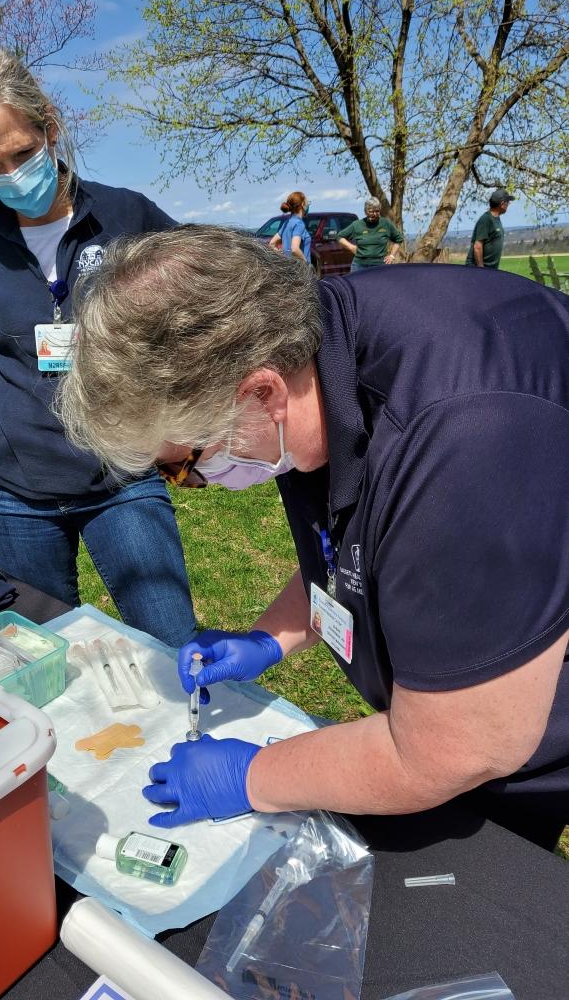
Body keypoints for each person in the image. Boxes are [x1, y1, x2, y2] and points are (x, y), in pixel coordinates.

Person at [56, 224, 569, 850]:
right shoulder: (310, 362)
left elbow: (458, 748)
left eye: (183, 462)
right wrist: (267, 641)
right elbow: (364, 545)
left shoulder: (463, 440)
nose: (191, 484)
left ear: (261, 392)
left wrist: (252, 777)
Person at [0, 45, 197, 648]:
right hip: (14, 491)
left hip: (121, 476)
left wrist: (177, 398)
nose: (13, 175)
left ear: (50, 127)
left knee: (171, 640)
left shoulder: (127, 216)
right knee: (46, 655)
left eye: (23, 153)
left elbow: (202, 296)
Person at [338, 197, 403, 271]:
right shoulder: (357, 225)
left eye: (377, 211)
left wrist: (392, 256)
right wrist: (351, 247)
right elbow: (340, 237)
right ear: (365, 211)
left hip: (380, 265)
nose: (375, 214)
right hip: (359, 265)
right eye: (371, 211)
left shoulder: (386, 223)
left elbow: (399, 239)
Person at [465, 188, 516, 269]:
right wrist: (481, 269)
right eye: (508, 202)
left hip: (490, 270)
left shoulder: (496, 218)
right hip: (477, 269)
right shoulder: (486, 219)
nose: (508, 204)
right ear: (502, 204)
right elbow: (477, 246)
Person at [268, 192, 311, 264]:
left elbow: (272, 244)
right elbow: (294, 249)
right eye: (307, 202)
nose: (308, 204)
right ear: (302, 204)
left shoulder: (287, 222)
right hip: (300, 271)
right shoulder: (299, 224)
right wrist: (306, 264)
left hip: (289, 270)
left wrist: (283, 258)